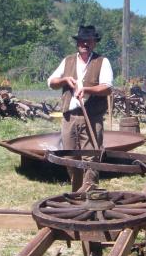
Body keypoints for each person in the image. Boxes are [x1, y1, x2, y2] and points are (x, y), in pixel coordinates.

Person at [48, 25, 113, 190]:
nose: (85, 44)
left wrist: (87, 89)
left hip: (92, 118)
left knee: (91, 159)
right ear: (77, 43)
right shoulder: (68, 61)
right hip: (69, 118)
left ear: (94, 43)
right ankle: (76, 194)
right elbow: (51, 82)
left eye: (89, 41)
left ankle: (91, 195)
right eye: (82, 41)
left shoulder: (102, 62)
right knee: (70, 158)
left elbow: (107, 88)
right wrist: (64, 80)